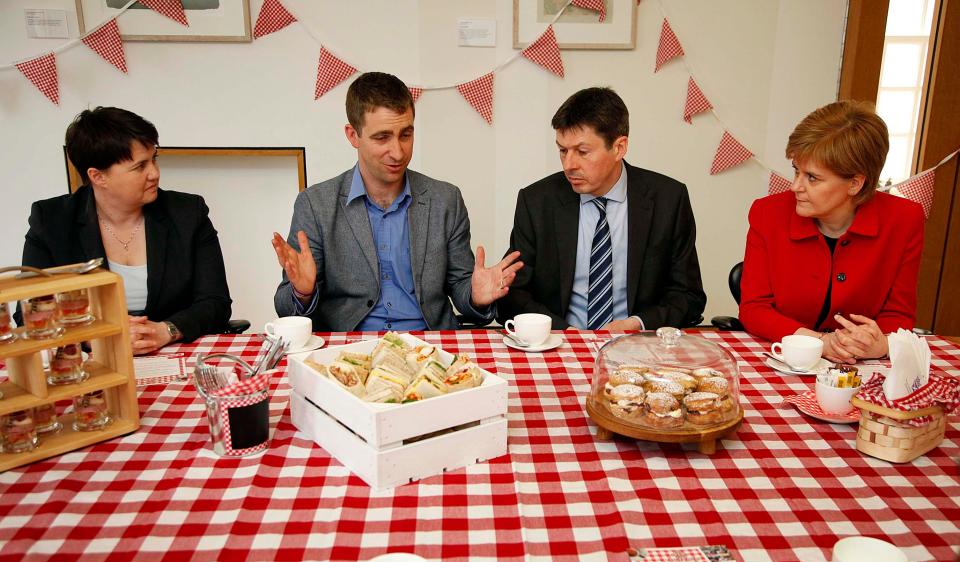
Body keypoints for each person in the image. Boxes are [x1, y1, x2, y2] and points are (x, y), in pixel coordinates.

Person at [272, 71, 521, 331]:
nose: (398, 152)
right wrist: (303, 293)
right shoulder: (315, 205)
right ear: (352, 135)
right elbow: (285, 308)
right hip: (349, 350)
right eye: (382, 137)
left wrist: (475, 296)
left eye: (406, 134)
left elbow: (461, 288)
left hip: (430, 345)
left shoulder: (446, 200)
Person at [22, 107, 232, 354]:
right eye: (140, 166)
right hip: (93, 361)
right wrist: (100, 337)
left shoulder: (188, 213)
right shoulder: (51, 222)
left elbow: (215, 302)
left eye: (154, 159)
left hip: (173, 353)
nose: (154, 173)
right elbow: (30, 314)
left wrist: (166, 330)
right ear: (98, 176)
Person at [498, 87, 706, 330]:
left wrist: (637, 324)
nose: (569, 165)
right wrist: (565, 333)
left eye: (582, 152)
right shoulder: (536, 202)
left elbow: (688, 296)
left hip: (637, 346)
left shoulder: (668, 199)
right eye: (563, 150)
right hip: (560, 342)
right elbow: (515, 294)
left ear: (619, 148)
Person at [738, 100, 924, 362]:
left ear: (855, 183)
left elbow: (898, 314)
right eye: (796, 171)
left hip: (861, 364)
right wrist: (819, 343)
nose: (795, 186)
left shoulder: (904, 220)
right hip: (786, 357)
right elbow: (754, 310)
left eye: (812, 178)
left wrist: (879, 343)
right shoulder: (767, 213)